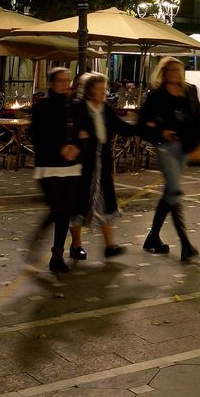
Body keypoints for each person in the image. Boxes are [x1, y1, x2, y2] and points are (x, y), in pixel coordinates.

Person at [138, 56, 200, 261]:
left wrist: (194, 140)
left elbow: (198, 117)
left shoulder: (190, 91)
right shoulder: (157, 95)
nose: (175, 74)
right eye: (171, 70)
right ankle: (185, 244)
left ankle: (152, 238)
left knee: (169, 193)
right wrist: (160, 131)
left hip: (183, 147)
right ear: (164, 73)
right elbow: (144, 122)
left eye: (178, 70)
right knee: (174, 191)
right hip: (165, 147)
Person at [30, 67, 85, 274]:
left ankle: (57, 254)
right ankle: (41, 240)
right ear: (51, 83)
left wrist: (76, 147)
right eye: (61, 80)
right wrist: (60, 147)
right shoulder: (42, 106)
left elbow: (81, 131)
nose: (65, 84)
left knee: (64, 212)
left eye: (67, 80)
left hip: (70, 165)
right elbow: (37, 135)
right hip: (48, 165)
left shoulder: (75, 105)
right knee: (58, 208)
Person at [74, 72, 128, 260]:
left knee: (104, 203)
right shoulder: (80, 109)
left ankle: (109, 246)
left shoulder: (105, 110)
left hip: (102, 165)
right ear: (89, 91)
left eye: (104, 88)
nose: (103, 92)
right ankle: (76, 245)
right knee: (80, 205)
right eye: (98, 89)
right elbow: (74, 132)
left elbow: (122, 127)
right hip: (83, 165)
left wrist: (147, 128)